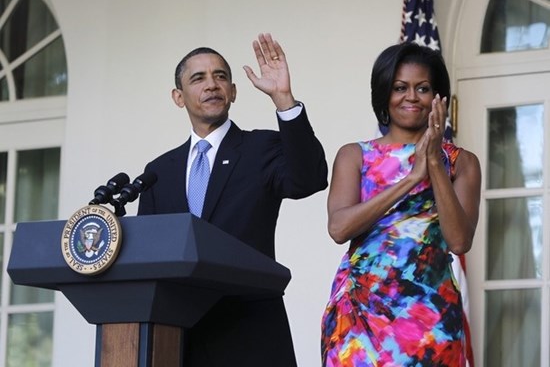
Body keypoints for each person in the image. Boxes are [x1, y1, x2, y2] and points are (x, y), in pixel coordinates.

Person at [138, 33, 328, 367]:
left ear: (234, 92)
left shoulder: (260, 149)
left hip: (250, 332)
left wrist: (283, 99)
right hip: (178, 339)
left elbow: (308, 179)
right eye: (198, 79)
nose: (211, 85)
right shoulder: (158, 172)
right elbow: (148, 255)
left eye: (220, 76)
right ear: (178, 97)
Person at [321, 42, 481, 366]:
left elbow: (459, 240)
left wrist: (434, 163)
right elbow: (339, 228)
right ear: (384, 94)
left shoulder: (462, 162)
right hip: (359, 315)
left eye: (422, 88)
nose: (411, 97)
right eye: (399, 87)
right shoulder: (355, 155)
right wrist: (410, 179)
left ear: (438, 97)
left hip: (430, 317)